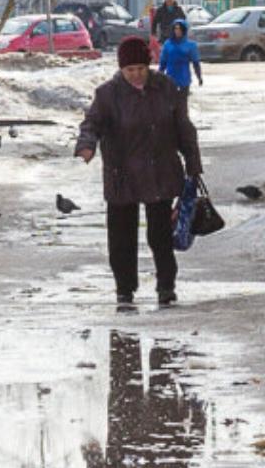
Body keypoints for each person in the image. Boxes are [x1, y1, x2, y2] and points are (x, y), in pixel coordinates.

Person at [75, 36, 203, 308]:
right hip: (122, 174)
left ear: (149, 65)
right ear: (121, 70)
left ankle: (166, 287)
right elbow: (91, 123)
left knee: (160, 236)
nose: (136, 75)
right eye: (130, 69)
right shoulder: (108, 94)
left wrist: (193, 166)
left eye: (141, 68)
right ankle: (125, 290)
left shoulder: (166, 88)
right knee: (121, 237)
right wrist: (87, 145)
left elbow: (184, 129)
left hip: (161, 172)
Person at [158, 17, 202, 98]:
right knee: (170, 104)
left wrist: (199, 77)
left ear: (184, 30)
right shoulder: (168, 44)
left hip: (184, 79)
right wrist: (158, 78)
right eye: (175, 28)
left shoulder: (190, 45)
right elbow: (163, 62)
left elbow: (196, 63)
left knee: (182, 105)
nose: (177, 31)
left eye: (180, 29)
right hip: (170, 79)